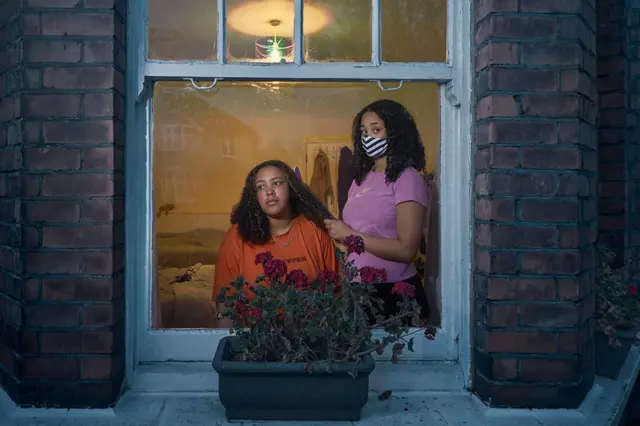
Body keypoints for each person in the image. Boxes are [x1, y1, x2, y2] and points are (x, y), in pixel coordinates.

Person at [324, 99, 430, 324]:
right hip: (357, 290)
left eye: (376, 130)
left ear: (396, 132)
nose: (368, 138)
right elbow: (353, 237)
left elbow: (406, 249)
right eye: (363, 132)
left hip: (393, 292)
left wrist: (349, 235)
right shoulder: (360, 180)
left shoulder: (407, 178)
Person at [213, 160, 340, 328]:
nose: (269, 192)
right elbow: (224, 305)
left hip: (311, 341)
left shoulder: (314, 230)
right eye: (261, 186)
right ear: (254, 196)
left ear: (290, 188)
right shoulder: (237, 237)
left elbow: (337, 292)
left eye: (277, 183)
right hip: (255, 342)